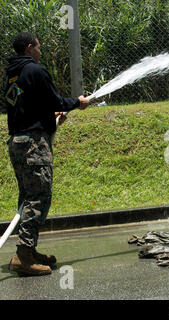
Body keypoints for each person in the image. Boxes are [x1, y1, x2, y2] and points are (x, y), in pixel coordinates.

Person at [4, 32, 89, 276]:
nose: (41, 52)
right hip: (33, 144)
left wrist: (46, 119)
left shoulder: (11, 75)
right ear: (30, 47)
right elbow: (55, 101)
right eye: (39, 47)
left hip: (17, 141)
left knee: (28, 197)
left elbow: (22, 107)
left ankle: (28, 252)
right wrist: (77, 102)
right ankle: (24, 256)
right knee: (38, 197)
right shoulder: (35, 71)